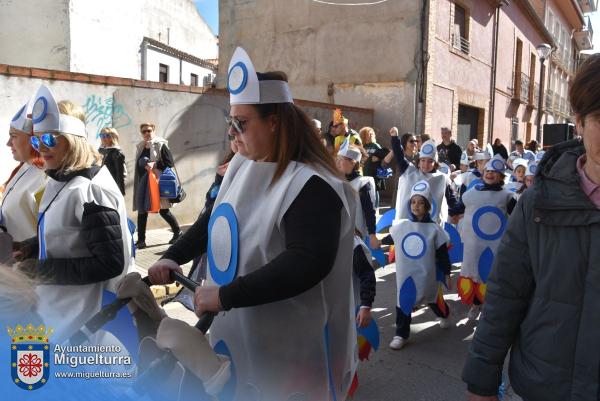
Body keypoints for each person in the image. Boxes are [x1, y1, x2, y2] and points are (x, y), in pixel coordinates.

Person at [149, 47, 357, 401]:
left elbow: (306, 262)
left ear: (274, 122)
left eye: (241, 123)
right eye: (230, 122)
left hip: (288, 349)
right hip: (236, 333)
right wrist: (173, 255)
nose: (232, 132)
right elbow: (214, 221)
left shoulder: (312, 184)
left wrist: (227, 296)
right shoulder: (244, 164)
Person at [463, 53, 600, 401]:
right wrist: (481, 381)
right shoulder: (538, 202)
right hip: (544, 384)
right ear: (580, 123)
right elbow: (506, 293)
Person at [16, 85, 133, 342]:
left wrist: (41, 270)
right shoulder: (63, 180)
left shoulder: (90, 190)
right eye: (37, 140)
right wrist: (30, 247)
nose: (41, 148)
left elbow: (110, 262)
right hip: (59, 308)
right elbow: (72, 236)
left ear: (72, 141)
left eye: (50, 139)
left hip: (84, 320)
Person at [387, 180, 452, 350]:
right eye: (413, 202)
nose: (416, 206)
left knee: (431, 297)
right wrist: (378, 243)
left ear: (428, 206)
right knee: (404, 300)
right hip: (406, 274)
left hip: (426, 273)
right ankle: (401, 333)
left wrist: (446, 273)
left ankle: (444, 313)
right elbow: (391, 239)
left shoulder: (434, 229)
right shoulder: (401, 226)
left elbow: (442, 254)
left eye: (421, 202)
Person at [453, 154, 516, 320]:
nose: (490, 174)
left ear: (501, 176)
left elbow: (517, 217)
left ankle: (489, 308)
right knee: (474, 274)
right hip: (473, 245)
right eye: (488, 170)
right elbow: (459, 207)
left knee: (491, 274)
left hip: (496, 245)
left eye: (495, 172)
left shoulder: (507, 196)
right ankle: (476, 304)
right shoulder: (472, 192)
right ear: (483, 173)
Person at [391, 128, 461, 225]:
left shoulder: (442, 178)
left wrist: (457, 212)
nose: (425, 164)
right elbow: (399, 157)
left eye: (430, 161)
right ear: (418, 162)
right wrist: (395, 138)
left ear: (435, 164)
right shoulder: (410, 172)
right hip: (408, 224)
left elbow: (451, 199)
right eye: (423, 160)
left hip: (432, 227)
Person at [1, 101, 46, 243]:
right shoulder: (25, 167)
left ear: (33, 139)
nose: (8, 143)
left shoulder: (47, 177)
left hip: (28, 262)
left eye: (13, 136)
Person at [133, 122, 182, 249]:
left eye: (149, 130)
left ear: (153, 130)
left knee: (164, 210)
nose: (146, 133)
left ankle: (177, 232)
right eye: (144, 131)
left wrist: (154, 165)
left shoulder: (160, 144)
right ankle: (141, 240)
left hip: (158, 182)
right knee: (142, 210)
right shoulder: (140, 146)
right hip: (144, 183)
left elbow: (169, 162)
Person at [360, 126, 390, 207]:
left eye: (371, 134)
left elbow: (384, 157)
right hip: (363, 173)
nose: (370, 136)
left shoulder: (375, 146)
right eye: (368, 134)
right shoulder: (361, 146)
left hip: (373, 173)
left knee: (374, 190)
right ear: (363, 136)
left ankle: (375, 208)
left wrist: (378, 159)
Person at [98, 127, 126, 195]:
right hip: (100, 185)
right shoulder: (100, 150)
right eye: (101, 135)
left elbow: (120, 175)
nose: (103, 138)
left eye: (106, 135)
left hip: (112, 187)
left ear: (112, 137)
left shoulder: (116, 152)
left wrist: (120, 192)